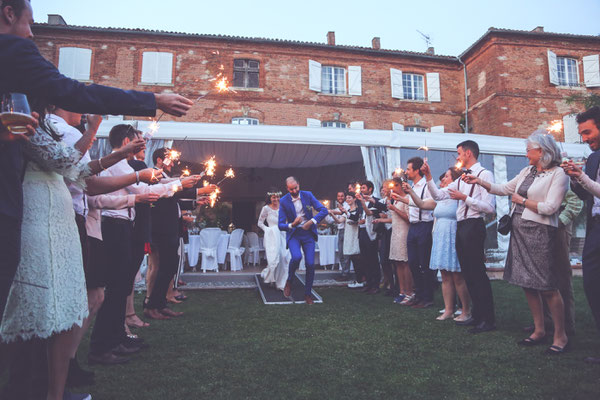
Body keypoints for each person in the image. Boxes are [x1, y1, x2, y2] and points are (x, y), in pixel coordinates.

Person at [467, 132, 569, 353]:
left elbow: (551, 207)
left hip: (541, 233)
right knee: (527, 283)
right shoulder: (527, 171)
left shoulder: (558, 174)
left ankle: (560, 335)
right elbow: (504, 189)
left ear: (542, 152)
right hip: (520, 232)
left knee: (547, 285)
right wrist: (480, 182)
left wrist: (522, 201)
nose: (526, 153)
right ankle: (539, 330)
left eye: (529, 149)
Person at [423, 140, 497, 334]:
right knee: (468, 273)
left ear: (468, 153)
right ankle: (476, 315)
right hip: (461, 226)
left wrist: (465, 199)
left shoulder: (484, 175)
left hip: (474, 225)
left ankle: (488, 319)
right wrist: (429, 177)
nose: (457, 157)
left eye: (459, 153)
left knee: (478, 273)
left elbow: (489, 207)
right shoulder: (461, 178)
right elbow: (439, 196)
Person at [404, 168, 471, 321]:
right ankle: (448, 309)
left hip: (453, 234)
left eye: (446, 176)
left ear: (455, 179)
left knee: (457, 276)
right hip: (440, 236)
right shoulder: (440, 198)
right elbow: (421, 203)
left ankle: (465, 310)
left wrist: (428, 175)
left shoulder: (458, 194)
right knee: (445, 275)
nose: (443, 180)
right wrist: (410, 192)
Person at [562, 106, 600, 364]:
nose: (584, 139)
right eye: (582, 134)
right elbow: (588, 194)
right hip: (596, 227)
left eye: (587, 132)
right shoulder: (594, 157)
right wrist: (576, 179)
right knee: (592, 285)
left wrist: (582, 177)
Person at [278, 176, 328, 304]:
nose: (294, 191)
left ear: (299, 185)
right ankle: (289, 280)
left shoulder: (308, 195)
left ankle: (307, 293)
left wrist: (312, 221)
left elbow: (324, 210)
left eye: (296, 188)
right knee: (296, 257)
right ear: (287, 188)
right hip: (294, 234)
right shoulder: (283, 201)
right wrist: (292, 224)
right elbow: (280, 225)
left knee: (310, 264)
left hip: (308, 234)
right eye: (291, 189)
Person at [403, 157, 436, 308]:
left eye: (409, 169)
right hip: (413, 227)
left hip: (424, 226)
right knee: (413, 263)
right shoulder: (412, 186)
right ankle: (419, 294)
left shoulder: (426, 186)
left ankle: (427, 297)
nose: (406, 171)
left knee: (424, 264)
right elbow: (412, 203)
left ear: (417, 171)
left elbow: (428, 205)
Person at [385, 177, 413, 305]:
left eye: (395, 186)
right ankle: (401, 291)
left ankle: (409, 292)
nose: (393, 189)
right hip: (395, 232)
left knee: (405, 262)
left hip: (404, 232)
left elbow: (408, 218)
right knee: (397, 262)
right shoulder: (395, 200)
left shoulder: (407, 199)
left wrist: (395, 209)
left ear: (401, 186)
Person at [258, 189, 289, 290]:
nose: (276, 199)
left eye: (277, 197)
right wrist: (267, 230)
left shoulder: (284, 207)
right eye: (273, 197)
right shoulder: (266, 208)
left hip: (282, 235)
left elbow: (288, 221)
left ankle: (281, 283)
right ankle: (271, 278)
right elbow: (260, 223)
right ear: (270, 198)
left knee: (284, 257)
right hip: (271, 236)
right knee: (274, 258)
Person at [356, 181, 383, 294]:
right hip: (362, 231)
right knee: (364, 258)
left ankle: (375, 284)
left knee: (372, 259)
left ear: (370, 189)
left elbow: (369, 214)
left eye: (363, 188)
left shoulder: (375, 201)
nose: (362, 190)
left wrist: (363, 203)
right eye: (361, 188)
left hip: (371, 232)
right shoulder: (359, 202)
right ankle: (368, 282)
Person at [329, 193, 362, 284]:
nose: (347, 199)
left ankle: (360, 279)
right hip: (348, 236)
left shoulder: (358, 210)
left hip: (355, 236)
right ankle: (357, 280)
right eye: (346, 198)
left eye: (349, 198)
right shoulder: (347, 210)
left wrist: (345, 212)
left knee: (356, 258)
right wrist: (332, 214)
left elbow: (356, 220)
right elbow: (339, 221)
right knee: (348, 256)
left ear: (354, 199)